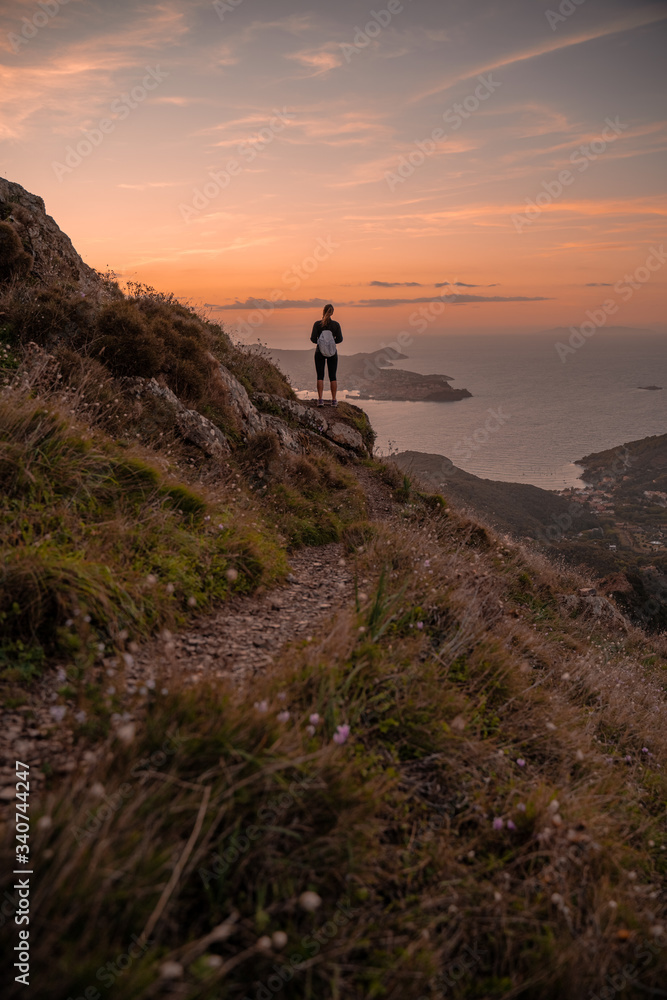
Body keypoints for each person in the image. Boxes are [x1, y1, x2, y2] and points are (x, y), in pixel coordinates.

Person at [310, 303, 343, 407]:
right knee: (333, 376)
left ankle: (320, 400)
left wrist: (321, 343)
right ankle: (333, 400)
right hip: (332, 353)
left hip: (319, 352)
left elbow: (312, 338)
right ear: (332, 313)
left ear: (323, 311)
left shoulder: (317, 324)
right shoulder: (336, 325)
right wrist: (331, 343)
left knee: (320, 375)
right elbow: (340, 339)